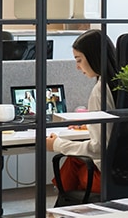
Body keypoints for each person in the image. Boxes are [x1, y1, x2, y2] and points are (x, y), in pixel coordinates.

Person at [46, 29, 120, 193]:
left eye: (79, 60)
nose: (77, 67)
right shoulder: (124, 83)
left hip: (111, 177)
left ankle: (61, 210)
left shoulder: (100, 91)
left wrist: (58, 144)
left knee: (73, 167)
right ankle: (59, 210)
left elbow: (99, 148)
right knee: (74, 162)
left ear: (94, 57)